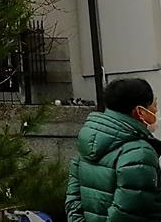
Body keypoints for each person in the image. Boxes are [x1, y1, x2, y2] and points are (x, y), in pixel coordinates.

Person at [66, 77, 161, 222]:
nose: (156, 110)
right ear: (140, 111)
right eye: (153, 105)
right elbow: (128, 213)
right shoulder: (139, 152)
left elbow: (73, 200)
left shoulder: (89, 141)